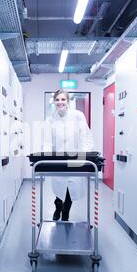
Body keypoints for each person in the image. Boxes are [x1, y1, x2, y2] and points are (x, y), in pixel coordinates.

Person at [42, 90, 94, 221]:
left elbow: (85, 136)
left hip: (75, 158)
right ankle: (58, 206)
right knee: (60, 187)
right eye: (57, 100)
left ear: (68, 101)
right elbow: (47, 141)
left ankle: (65, 212)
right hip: (58, 159)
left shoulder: (78, 116)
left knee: (71, 187)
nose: (60, 102)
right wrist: (47, 159)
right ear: (54, 102)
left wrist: (84, 155)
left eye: (63, 99)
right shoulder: (50, 119)